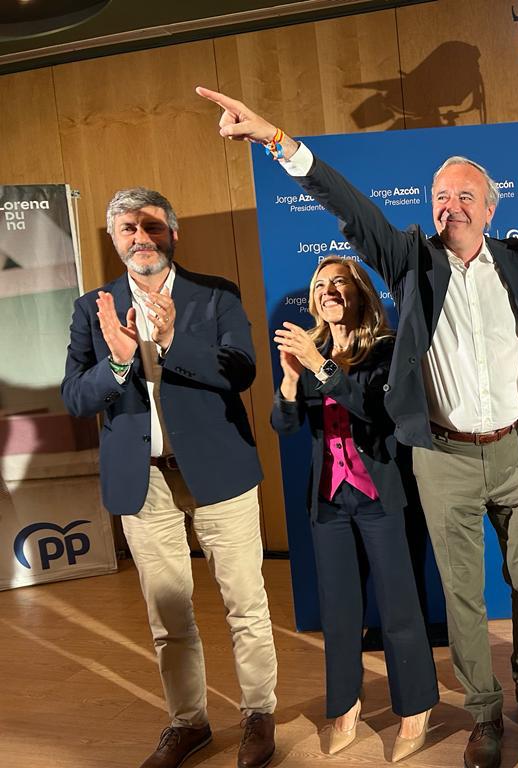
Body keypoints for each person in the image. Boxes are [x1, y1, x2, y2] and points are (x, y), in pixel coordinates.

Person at [196, 87, 518, 768]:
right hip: (445, 455)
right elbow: (351, 207)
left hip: (517, 447)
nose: (449, 206)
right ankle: (484, 714)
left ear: (490, 208)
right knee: (461, 592)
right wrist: (277, 139)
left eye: (464, 196)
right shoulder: (412, 260)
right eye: (440, 197)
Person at [61, 188, 278, 768]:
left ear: (172, 234)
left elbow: (243, 372)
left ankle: (259, 715)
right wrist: (118, 362)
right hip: (143, 479)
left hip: (219, 471)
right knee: (169, 613)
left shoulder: (215, 296)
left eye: (151, 226)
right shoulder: (93, 308)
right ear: (114, 240)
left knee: (246, 604)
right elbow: (77, 398)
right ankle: (189, 723)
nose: (140, 237)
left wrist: (176, 340)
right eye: (128, 229)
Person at [270, 256, 439, 761]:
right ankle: (344, 704)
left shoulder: (385, 349)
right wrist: (287, 379)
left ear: (360, 291)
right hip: (329, 501)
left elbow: (376, 411)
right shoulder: (312, 349)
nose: (328, 291)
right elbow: (285, 426)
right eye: (321, 285)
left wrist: (319, 367)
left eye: (339, 282)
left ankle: (416, 706)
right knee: (340, 612)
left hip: (379, 496)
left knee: (399, 607)